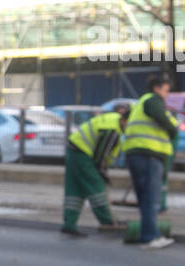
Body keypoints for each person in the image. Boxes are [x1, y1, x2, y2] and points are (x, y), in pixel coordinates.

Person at [122, 75, 178, 249]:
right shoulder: (153, 101)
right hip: (149, 155)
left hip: (134, 154)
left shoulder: (139, 103)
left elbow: (123, 119)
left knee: (145, 199)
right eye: (166, 90)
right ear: (157, 88)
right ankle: (150, 237)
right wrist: (172, 130)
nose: (166, 95)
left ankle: (149, 234)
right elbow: (160, 117)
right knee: (151, 199)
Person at [60, 106, 128, 237]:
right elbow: (100, 157)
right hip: (83, 154)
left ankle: (69, 224)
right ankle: (107, 221)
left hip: (75, 149)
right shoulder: (112, 131)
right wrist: (102, 175)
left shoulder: (113, 120)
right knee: (96, 187)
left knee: (75, 189)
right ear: (125, 121)